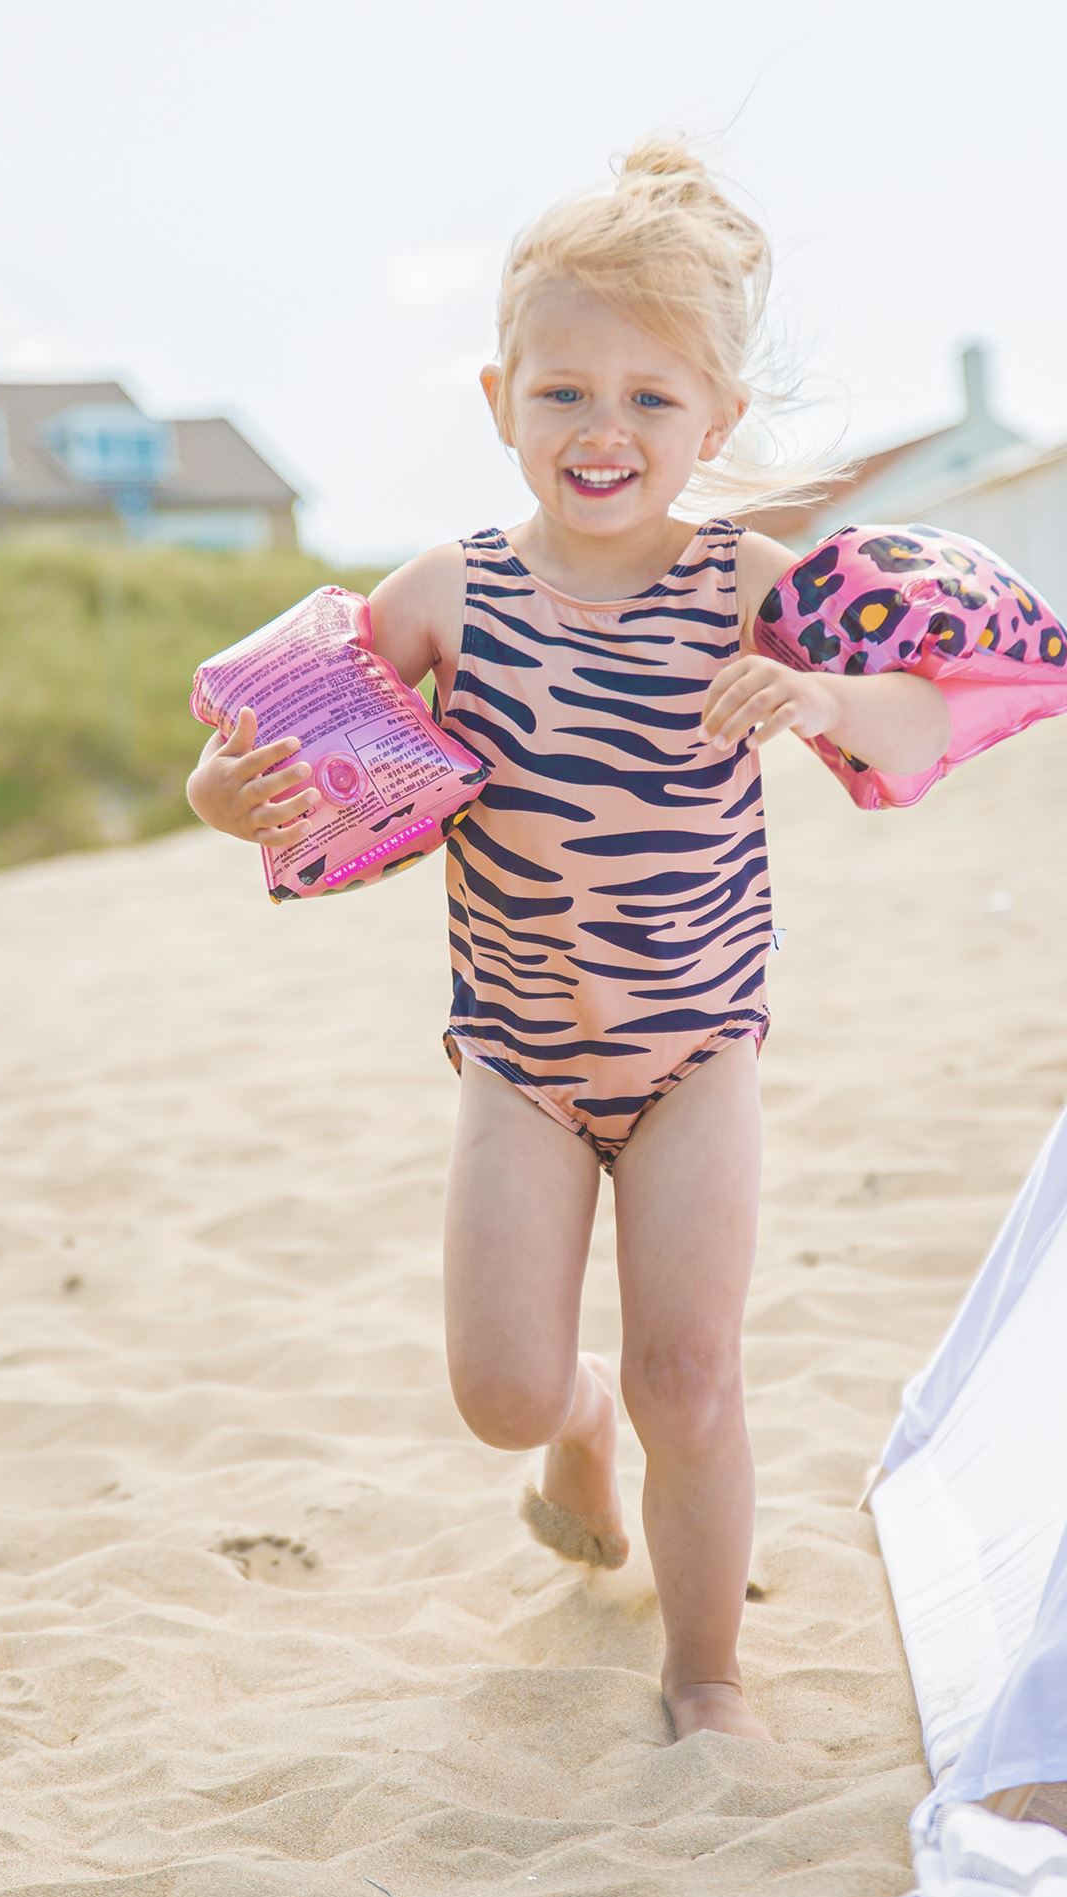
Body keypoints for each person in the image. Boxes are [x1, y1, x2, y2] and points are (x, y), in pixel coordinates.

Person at [187, 135, 950, 1743]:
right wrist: (226, 794)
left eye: (650, 400)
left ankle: (704, 1676)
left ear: (716, 425)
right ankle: (575, 1427)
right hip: (522, 1066)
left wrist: (817, 693)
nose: (605, 432)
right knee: (504, 1393)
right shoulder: (451, 595)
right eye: (565, 395)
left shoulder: (744, 584)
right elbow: (270, 751)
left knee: (697, 1377)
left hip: (693, 1059)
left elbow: (912, 712)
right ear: (499, 400)